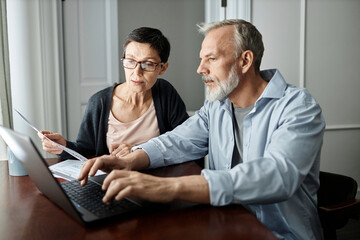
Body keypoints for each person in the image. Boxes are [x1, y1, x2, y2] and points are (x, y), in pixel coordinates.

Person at [78, 19, 325, 240]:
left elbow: (276, 176)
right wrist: (130, 161)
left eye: (212, 59)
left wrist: (167, 188)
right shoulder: (216, 106)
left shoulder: (298, 107)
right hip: (224, 225)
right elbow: (176, 141)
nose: (200, 69)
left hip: (279, 234)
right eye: (201, 59)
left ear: (245, 60)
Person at [38, 27, 189, 159]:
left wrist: (139, 151)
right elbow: (85, 152)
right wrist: (63, 146)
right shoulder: (99, 102)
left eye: (147, 64)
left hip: (156, 182)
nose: (136, 72)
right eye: (130, 61)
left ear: (162, 68)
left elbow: (185, 142)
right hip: (113, 183)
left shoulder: (166, 93)